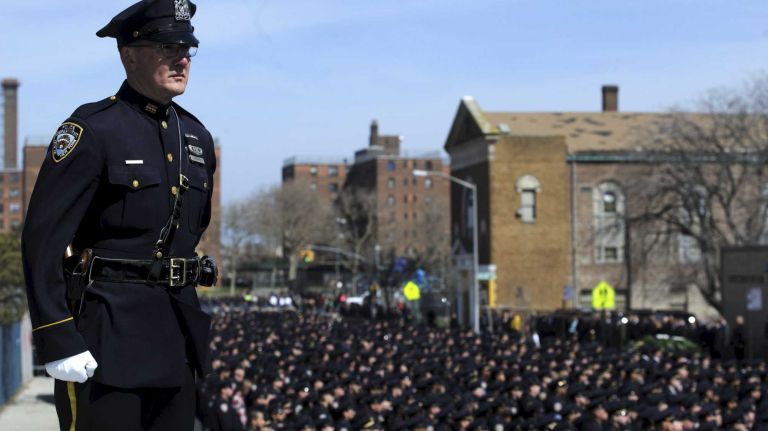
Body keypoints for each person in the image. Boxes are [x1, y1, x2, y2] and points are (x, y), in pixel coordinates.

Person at [21, 0, 217, 429]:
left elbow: (190, 235)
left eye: (187, 48)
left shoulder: (197, 137)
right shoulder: (93, 130)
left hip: (176, 342)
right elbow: (43, 240)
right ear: (129, 54)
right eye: (167, 47)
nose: (181, 58)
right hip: (104, 344)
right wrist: (57, 337)